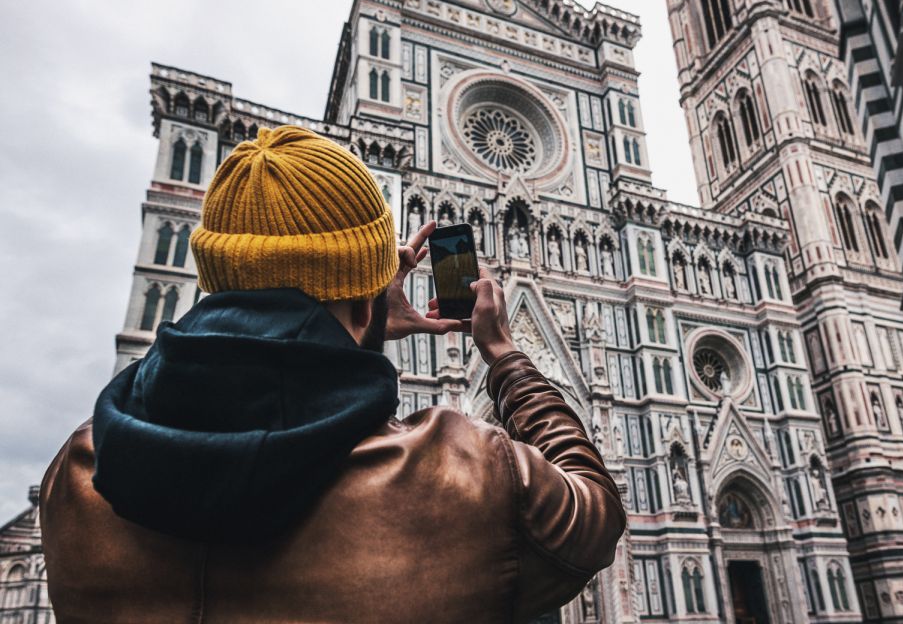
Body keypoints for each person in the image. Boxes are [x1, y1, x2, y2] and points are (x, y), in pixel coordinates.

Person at [39, 126, 625, 623]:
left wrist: (358, 314)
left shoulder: (78, 474)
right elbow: (595, 512)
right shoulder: (468, 478)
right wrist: (503, 355)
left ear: (216, 274)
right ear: (368, 299)